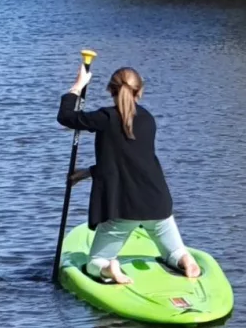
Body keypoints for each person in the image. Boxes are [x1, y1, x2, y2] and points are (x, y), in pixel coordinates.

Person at [56, 63, 201, 285]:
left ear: (110, 91)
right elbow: (131, 163)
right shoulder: (148, 120)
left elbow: (66, 117)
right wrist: (87, 172)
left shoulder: (105, 118)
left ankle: (109, 268)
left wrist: (78, 86)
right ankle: (186, 261)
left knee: (94, 262)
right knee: (173, 252)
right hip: (158, 204)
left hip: (124, 210)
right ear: (139, 92)